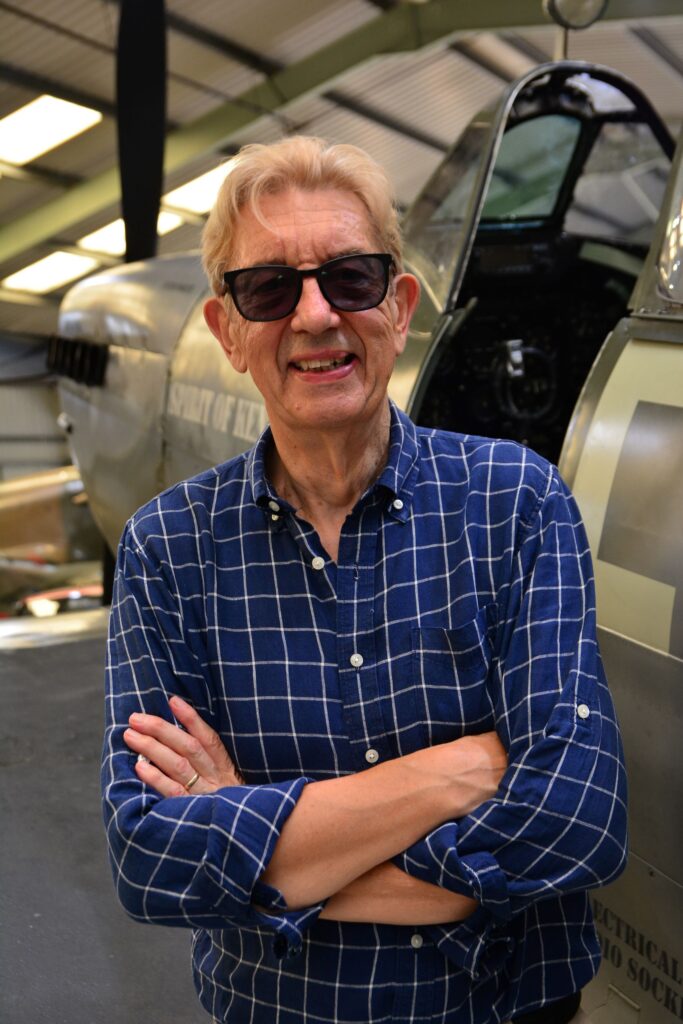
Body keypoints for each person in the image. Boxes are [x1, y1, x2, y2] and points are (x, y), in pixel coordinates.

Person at [102, 135, 627, 1024]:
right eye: (267, 288)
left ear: (399, 306)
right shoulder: (166, 545)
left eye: (350, 277)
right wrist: (459, 775)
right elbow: (149, 858)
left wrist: (252, 840)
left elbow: (577, 818)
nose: (313, 315)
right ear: (226, 331)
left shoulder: (518, 503)